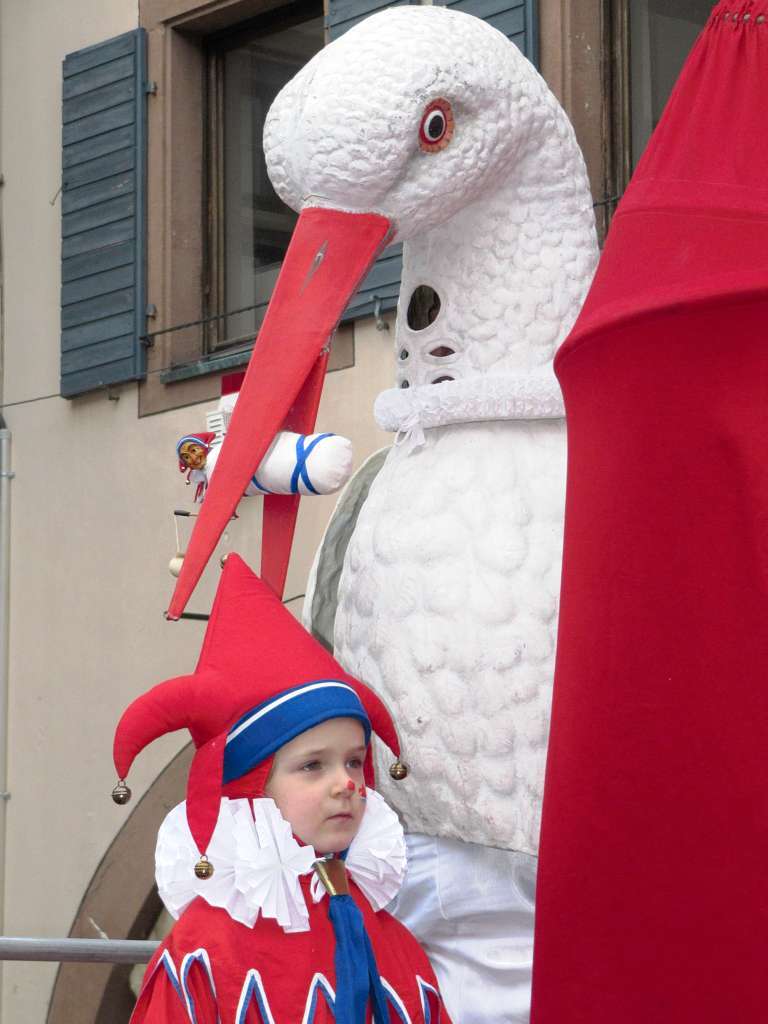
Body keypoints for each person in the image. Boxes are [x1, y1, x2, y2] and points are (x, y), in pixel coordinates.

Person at [111, 553, 451, 1024]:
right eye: (313, 765)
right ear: (251, 791)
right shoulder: (205, 950)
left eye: (354, 760)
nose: (347, 783)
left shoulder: (394, 943)